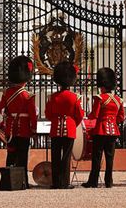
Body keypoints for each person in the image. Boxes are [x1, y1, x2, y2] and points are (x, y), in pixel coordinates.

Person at [82, 67, 125, 189]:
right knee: (110, 158)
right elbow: (121, 117)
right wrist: (112, 121)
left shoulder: (100, 98)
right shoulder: (118, 100)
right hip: (113, 131)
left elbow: (94, 115)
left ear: (102, 85)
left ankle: (93, 181)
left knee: (97, 157)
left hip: (101, 130)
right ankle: (108, 181)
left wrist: (87, 116)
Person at [0, 56, 37, 187]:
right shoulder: (28, 95)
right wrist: (33, 129)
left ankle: (7, 180)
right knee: (22, 157)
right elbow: (33, 116)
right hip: (24, 129)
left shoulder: (6, 93)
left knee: (10, 155)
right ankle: (23, 182)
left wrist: (8, 115)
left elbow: (0, 109)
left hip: (10, 129)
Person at [45, 61, 83, 189]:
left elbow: (48, 114)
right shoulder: (75, 97)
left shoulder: (52, 97)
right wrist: (72, 123)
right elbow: (80, 115)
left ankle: (56, 182)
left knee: (55, 156)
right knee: (66, 157)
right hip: (70, 129)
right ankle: (65, 182)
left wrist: (56, 120)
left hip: (56, 129)